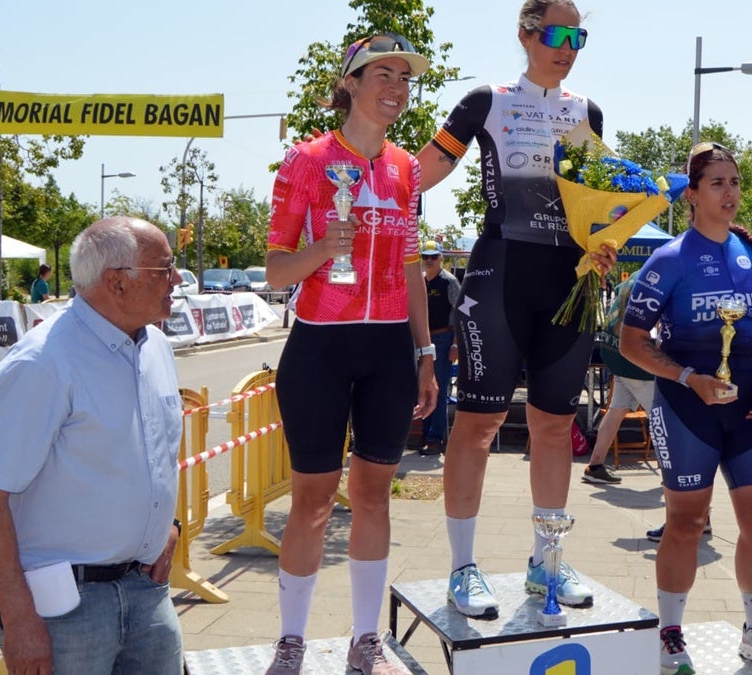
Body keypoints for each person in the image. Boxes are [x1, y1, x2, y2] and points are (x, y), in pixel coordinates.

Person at [413, 0, 616, 620]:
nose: (568, 46)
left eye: (578, 36)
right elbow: (416, 173)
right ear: (525, 35)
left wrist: (606, 239)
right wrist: (354, 182)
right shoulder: (488, 102)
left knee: (555, 425)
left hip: (568, 281)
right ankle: (462, 568)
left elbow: (594, 201)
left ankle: (546, 562)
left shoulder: (588, 112)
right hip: (500, 273)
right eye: (557, 33)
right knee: (478, 424)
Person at [262, 34, 437, 675]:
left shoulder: (405, 168)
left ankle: (366, 639)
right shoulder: (307, 161)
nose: (396, 87)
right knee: (312, 500)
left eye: (404, 78)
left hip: (388, 346)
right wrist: (321, 250)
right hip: (320, 345)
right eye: (382, 74)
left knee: (374, 495)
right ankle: (291, 640)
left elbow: (412, 265)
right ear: (352, 83)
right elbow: (276, 270)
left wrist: (425, 350)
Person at [0, 217, 184, 674]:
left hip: (147, 591)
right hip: (65, 611)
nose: (177, 279)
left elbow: (155, 454)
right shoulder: (43, 362)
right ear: (116, 282)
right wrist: (20, 621)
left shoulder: (156, 347)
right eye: (164, 269)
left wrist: (169, 527)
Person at [620, 142, 752, 674]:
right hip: (687, 406)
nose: (729, 192)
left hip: (749, 407)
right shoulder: (669, 259)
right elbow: (630, 341)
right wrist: (687, 378)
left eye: (734, 182)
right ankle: (670, 635)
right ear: (691, 194)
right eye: (717, 183)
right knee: (687, 522)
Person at [582, 276, 655, 485]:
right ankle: (674, 476)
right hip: (635, 361)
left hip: (615, 351)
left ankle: (595, 466)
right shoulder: (659, 281)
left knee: (617, 410)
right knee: (662, 418)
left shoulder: (637, 276)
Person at [418, 240, 461, 456]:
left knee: (440, 389)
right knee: (422, 388)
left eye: (433, 256)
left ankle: (436, 438)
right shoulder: (420, 281)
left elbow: (461, 313)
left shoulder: (449, 281)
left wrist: (455, 344)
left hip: (443, 339)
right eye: (425, 256)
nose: (429, 260)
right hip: (422, 341)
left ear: (441, 258)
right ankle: (426, 434)